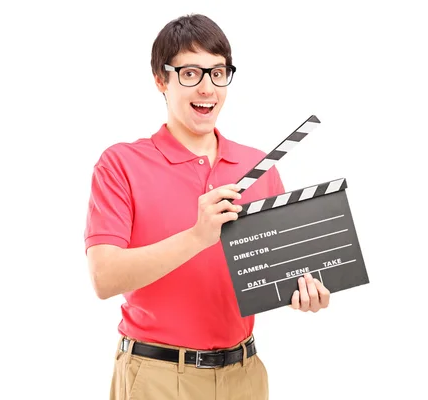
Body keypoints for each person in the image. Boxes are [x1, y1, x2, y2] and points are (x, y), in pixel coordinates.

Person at [84, 13, 331, 400]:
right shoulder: (120, 164)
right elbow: (104, 278)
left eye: (218, 72)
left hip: (244, 375)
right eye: (190, 73)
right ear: (160, 80)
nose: (207, 88)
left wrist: (305, 289)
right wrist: (197, 236)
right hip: (157, 376)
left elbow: (276, 272)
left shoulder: (259, 167)